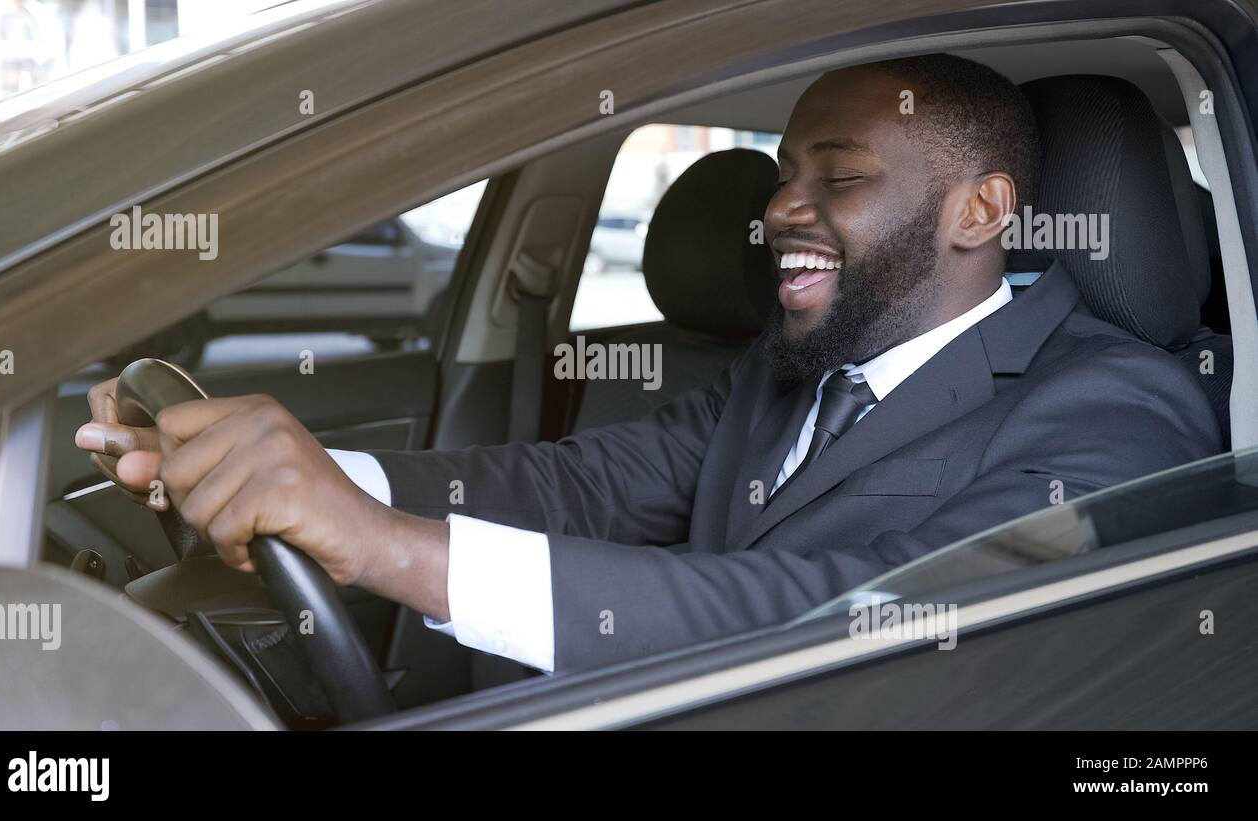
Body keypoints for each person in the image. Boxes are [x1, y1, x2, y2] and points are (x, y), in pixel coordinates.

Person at [75, 54, 1221, 673]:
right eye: (781, 172)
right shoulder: (787, 374)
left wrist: (381, 547)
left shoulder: (1119, 412)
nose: (778, 207)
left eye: (837, 176)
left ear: (981, 209)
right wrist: (313, 479)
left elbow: (863, 614)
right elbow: (583, 484)